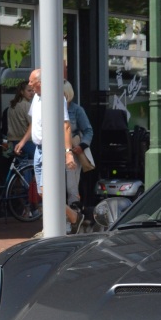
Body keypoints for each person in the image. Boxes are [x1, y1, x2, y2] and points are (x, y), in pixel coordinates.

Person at [14, 68, 78, 231]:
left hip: (52, 150)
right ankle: (72, 216)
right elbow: (33, 123)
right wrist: (23, 141)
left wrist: (68, 153)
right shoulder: (36, 97)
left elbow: (66, 125)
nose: (29, 84)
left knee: (51, 191)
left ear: (41, 83)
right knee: (43, 192)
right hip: (38, 149)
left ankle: (56, 226)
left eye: (31, 81)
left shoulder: (57, 98)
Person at [64, 80, 94, 231]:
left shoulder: (77, 110)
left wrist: (82, 146)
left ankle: (72, 220)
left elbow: (88, 130)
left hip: (74, 153)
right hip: (56, 153)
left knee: (71, 187)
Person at [6, 83, 34, 159]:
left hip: (13, 141)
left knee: (21, 166)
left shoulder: (12, 106)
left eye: (33, 90)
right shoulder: (27, 105)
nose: (32, 93)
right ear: (22, 92)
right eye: (29, 91)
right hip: (26, 141)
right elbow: (33, 124)